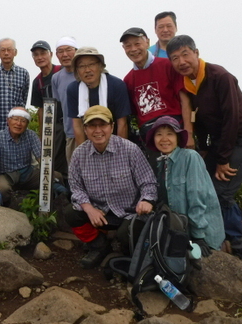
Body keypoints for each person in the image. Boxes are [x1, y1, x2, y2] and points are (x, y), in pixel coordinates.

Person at [167, 35, 242, 259]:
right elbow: (200, 120)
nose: (181, 61)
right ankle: (217, 234)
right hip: (220, 142)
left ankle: (237, 246)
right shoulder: (190, 83)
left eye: (185, 54)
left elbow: (232, 119)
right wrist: (205, 148)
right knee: (203, 186)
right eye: (175, 58)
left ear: (196, 53)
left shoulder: (220, 76)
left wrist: (222, 159)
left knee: (222, 192)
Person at [66, 105, 157, 268]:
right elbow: (76, 188)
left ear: (112, 127)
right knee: (71, 214)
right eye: (92, 125)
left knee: (126, 237)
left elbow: (148, 182)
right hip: (99, 212)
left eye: (103, 125)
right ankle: (99, 246)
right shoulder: (79, 154)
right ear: (85, 129)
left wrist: (146, 200)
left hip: (129, 212)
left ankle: (125, 249)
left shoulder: (130, 149)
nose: (98, 130)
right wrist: (89, 208)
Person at [145, 116, 225, 255]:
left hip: (202, 234)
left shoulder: (190, 157)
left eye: (170, 134)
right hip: (180, 233)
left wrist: (199, 236)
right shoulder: (161, 163)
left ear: (177, 138)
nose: (164, 139)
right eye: (159, 134)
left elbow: (197, 198)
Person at [120, 27, 194, 167]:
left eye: (137, 43)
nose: (133, 49)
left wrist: (189, 133)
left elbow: (185, 100)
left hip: (174, 128)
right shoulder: (128, 80)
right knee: (158, 178)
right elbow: (135, 116)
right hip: (149, 136)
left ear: (147, 42)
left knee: (181, 173)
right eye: (128, 46)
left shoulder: (167, 65)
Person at [67, 47, 131, 147]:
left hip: (115, 141)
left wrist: (120, 152)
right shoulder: (73, 89)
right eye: (81, 66)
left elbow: (122, 123)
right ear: (76, 71)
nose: (87, 70)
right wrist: (83, 154)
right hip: (89, 142)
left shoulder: (117, 85)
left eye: (92, 64)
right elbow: (77, 125)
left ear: (100, 66)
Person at [30, 40, 67, 179]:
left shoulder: (63, 70)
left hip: (70, 122)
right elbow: (40, 109)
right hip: (53, 126)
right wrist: (42, 134)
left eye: (43, 53)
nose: (40, 57)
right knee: (56, 159)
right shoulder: (37, 81)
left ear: (51, 54)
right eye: (36, 55)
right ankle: (59, 191)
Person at [0, 38, 30, 134]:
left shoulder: (23, 73)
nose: (6, 53)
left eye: (9, 50)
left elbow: (24, 98)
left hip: (17, 125)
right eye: (3, 50)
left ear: (15, 52)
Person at [51, 36, 79, 163]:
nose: (65, 54)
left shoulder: (85, 73)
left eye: (69, 50)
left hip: (92, 131)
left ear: (76, 51)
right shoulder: (56, 78)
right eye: (60, 51)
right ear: (56, 55)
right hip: (70, 133)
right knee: (74, 172)